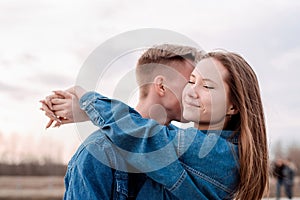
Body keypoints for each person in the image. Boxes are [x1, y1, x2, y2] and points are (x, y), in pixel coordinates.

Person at [41, 50, 269, 199]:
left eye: (207, 86)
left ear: (233, 107)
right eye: (190, 81)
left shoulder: (219, 153)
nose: (190, 91)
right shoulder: (104, 150)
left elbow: (146, 136)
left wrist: (86, 100)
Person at [41, 44, 201, 199]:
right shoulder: (98, 152)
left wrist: (88, 108)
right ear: (162, 86)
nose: (197, 92)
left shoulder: (185, 147)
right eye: (191, 82)